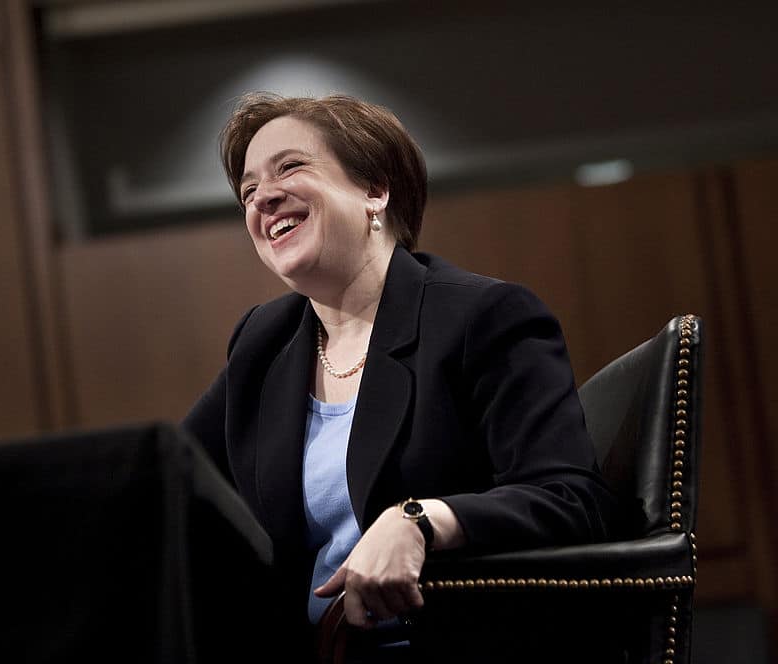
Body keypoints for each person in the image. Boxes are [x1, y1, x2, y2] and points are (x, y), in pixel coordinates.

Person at [181, 92, 623, 660]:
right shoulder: (263, 345)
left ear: (374, 191)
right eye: (247, 190)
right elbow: (176, 484)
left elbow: (572, 499)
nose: (263, 197)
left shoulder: (481, 317)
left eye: (290, 167)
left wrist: (421, 520)